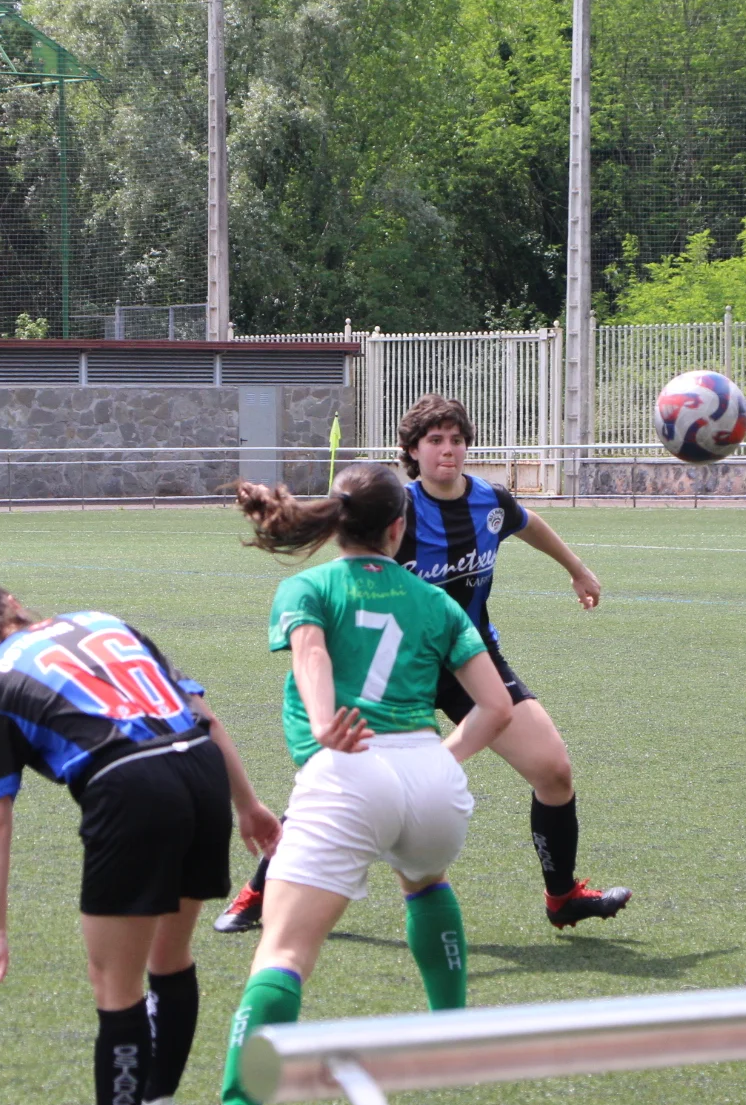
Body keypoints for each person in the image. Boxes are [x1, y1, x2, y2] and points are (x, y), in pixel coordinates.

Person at [157, 461, 515, 1105]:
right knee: (425, 882)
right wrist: (436, 758)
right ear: (399, 529)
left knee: (285, 950)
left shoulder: (309, 586)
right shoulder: (435, 600)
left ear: (337, 522)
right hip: (430, 777)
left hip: (349, 772)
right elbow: (497, 707)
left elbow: (313, 653)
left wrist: (326, 722)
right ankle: (452, 1031)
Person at [0, 580, 280, 1105]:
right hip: (201, 771)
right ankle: (156, 1104)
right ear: (15, 604)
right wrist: (247, 804)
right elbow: (203, 713)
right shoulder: (104, 621)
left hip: (130, 786)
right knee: (170, 959)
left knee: (115, 987)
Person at [216, 395, 630, 935]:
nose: (448, 450)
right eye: (435, 440)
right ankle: (259, 892)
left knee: (553, 770)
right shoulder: (397, 511)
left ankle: (563, 896)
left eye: (456, 439)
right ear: (412, 451)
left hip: (470, 660)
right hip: (398, 664)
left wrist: (576, 568)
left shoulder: (490, 501)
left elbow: (528, 523)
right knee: (346, 774)